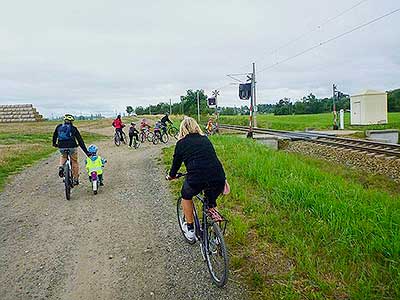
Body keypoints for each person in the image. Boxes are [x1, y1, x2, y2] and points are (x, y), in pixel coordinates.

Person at [167, 117, 226, 241]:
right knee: (211, 202)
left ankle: (190, 229)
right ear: (196, 127)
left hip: (197, 178)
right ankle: (217, 236)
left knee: (186, 195)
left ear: (182, 129)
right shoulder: (205, 139)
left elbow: (175, 165)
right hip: (218, 176)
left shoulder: (181, 143)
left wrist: (171, 176)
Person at [52, 114, 89, 185]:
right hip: (72, 147)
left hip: (61, 146)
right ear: (71, 121)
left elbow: (55, 136)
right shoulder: (73, 128)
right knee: (74, 161)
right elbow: (80, 141)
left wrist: (54, 144)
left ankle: (61, 167)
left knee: (63, 156)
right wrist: (87, 153)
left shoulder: (59, 127)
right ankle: (75, 179)